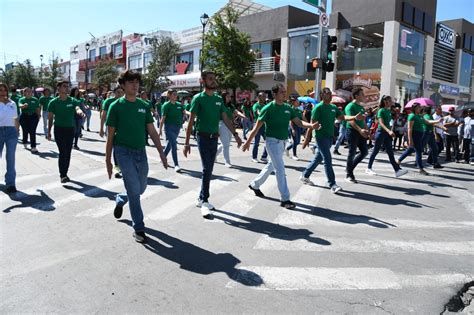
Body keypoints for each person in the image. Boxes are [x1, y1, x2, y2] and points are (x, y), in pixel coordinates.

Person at [105, 70, 168, 244]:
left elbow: (152, 131)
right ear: (123, 85)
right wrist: (108, 161)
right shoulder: (115, 106)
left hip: (140, 151)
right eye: (131, 82)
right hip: (122, 152)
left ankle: (120, 199)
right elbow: (110, 136)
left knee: (140, 188)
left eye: (137, 82)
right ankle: (139, 228)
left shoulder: (144, 105)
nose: (135, 84)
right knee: (134, 191)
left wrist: (162, 153)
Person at [243, 84, 318, 209]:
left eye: (284, 92)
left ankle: (254, 185)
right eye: (282, 92)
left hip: (282, 142)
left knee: (271, 166)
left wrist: (311, 126)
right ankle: (285, 199)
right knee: (280, 169)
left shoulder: (288, 108)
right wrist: (247, 142)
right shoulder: (267, 108)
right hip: (272, 142)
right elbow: (256, 127)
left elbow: (298, 122)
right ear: (275, 94)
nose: (284, 94)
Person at [183, 70, 242, 219]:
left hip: (214, 138)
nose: (213, 81)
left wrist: (235, 134)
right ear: (203, 81)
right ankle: (204, 201)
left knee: (209, 169)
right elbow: (191, 121)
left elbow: (226, 119)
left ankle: (201, 198)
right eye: (210, 79)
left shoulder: (218, 99)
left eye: (214, 79)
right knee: (207, 169)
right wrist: (186, 143)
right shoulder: (198, 98)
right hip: (202, 137)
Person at [300, 88, 362, 193]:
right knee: (328, 160)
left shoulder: (333, 107)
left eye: (330, 94)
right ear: (322, 95)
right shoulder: (318, 108)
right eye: (327, 94)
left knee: (318, 158)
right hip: (320, 137)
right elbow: (312, 124)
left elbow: (342, 116)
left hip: (329, 137)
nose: (330, 95)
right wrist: (307, 139)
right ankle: (332, 184)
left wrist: (354, 117)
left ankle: (305, 175)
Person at [47, 81, 86, 183]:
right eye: (64, 86)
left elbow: (77, 108)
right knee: (63, 151)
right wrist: (49, 132)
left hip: (70, 129)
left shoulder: (72, 100)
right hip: (59, 129)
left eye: (67, 86)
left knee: (68, 152)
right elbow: (50, 118)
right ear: (58, 88)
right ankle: (62, 175)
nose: (67, 88)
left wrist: (80, 112)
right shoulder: (53, 102)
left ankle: (65, 173)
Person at [365, 95, 408, 177]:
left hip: (387, 134)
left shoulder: (388, 111)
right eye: (390, 100)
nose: (391, 102)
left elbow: (389, 123)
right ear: (385, 101)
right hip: (381, 133)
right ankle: (369, 168)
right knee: (375, 151)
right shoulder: (381, 110)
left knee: (390, 153)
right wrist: (389, 131)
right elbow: (380, 123)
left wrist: (390, 130)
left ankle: (397, 170)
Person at [397, 103, 431, 175]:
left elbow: (428, 122)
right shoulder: (412, 116)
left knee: (410, 150)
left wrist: (438, 122)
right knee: (418, 151)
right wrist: (410, 140)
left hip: (419, 136)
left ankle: (398, 161)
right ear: (415, 108)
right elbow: (409, 129)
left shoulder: (419, 116)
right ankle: (421, 169)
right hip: (415, 135)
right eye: (419, 107)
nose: (420, 108)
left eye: (420, 107)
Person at [344, 88, 369, 183]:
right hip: (352, 132)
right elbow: (351, 121)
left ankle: (349, 168)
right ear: (356, 96)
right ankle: (349, 175)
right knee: (352, 153)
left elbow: (362, 120)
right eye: (362, 94)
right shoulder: (350, 106)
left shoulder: (361, 107)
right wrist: (360, 130)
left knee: (364, 152)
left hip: (361, 132)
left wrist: (367, 130)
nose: (364, 96)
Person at [216, 91, 246, 167]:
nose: (230, 98)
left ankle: (214, 155)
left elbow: (236, 112)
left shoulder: (231, 106)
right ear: (223, 97)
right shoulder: (220, 105)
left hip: (230, 125)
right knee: (226, 144)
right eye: (228, 96)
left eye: (230, 97)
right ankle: (227, 162)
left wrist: (243, 116)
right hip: (222, 124)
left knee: (225, 144)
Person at [100, 87, 124, 178]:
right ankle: (117, 169)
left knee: (120, 149)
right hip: (110, 128)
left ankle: (123, 167)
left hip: (122, 129)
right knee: (115, 149)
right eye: (118, 92)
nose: (120, 94)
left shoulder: (125, 102)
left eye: (122, 92)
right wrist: (101, 128)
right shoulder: (108, 102)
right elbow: (103, 115)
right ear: (114, 93)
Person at [159, 89, 185, 172]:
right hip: (169, 128)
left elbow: (185, 112)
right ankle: (176, 165)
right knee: (174, 145)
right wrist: (160, 130)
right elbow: (163, 119)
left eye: (176, 94)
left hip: (177, 128)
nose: (175, 96)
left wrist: (192, 114)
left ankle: (163, 157)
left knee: (170, 144)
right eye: (173, 94)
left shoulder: (179, 105)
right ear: (169, 95)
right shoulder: (166, 105)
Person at [0, 83, 19, 193]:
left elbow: (15, 118)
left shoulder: (12, 103)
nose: (2, 92)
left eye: (4, 90)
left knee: (10, 158)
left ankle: (11, 183)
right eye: (0, 90)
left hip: (11, 132)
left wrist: (17, 131)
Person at [18, 87, 40, 153]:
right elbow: (20, 105)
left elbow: (38, 109)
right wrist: (23, 105)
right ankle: (25, 141)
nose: (29, 92)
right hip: (24, 116)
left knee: (32, 131)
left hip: (33, 116)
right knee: (25, 130)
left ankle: (33, 147)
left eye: (30, 91)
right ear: (24, 93)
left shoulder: (35, 99)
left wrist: (38, 116)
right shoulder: (22, 99)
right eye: (27, 91)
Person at [251, 92, 268, 163]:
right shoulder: (256, 105)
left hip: (264, 125)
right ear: (259, 97)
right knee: (256, 142)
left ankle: (264, 157)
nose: (264, 98)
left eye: (265, 96)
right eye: (263, 96)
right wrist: (262, 113)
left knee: (268, 142)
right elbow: (258, 112)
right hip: (257, 125)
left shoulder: (265, 105)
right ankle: (254, 157)